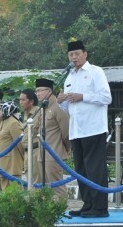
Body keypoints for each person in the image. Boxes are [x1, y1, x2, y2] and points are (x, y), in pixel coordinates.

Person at [57, 40, 112, 218]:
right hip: (76, 130)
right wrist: (61, 102)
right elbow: (68, 108)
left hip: (94, 128)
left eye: (77, 53)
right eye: (71, 54)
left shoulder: (96, 72)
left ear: (85, 54)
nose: (74, 57)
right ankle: (87, 204)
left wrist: (83, 96)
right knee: (81, 169)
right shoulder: (69, 77)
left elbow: (106, 97)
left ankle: (100, 208)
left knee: (95, 168)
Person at [34, 78, 70, 198]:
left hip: (54, 153)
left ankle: (60, 211)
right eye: (36, 91)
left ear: (49, 91)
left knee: (57, 187)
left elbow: (66, 132)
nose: (37, 94)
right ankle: (48, 212)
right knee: (44, 187)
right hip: (41, 153)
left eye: (40, 90)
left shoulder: (58, 107)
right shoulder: (43, 108)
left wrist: (64, 149)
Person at [0, 101, 24, 190]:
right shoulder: (4, 121)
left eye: (0, 109)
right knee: (5, 191)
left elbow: (20, 143)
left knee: (15, 192)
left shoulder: (13, 123)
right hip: (2, 162)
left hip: (12, 164)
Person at [19, 88, 39, 181]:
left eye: (23, 100)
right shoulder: (25, 115)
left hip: (36, 151)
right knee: (29, 180)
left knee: (36, 181)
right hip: (26, 152)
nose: (21, 102)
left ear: (31, 101)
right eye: (20, 100)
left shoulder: (39, 113)